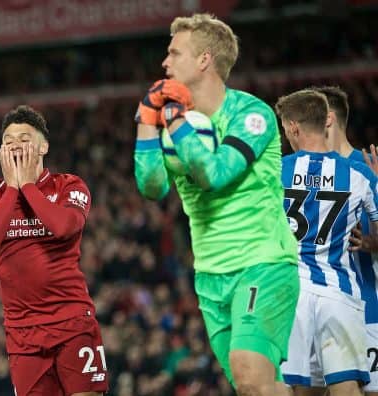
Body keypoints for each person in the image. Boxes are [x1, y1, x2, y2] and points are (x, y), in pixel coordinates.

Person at [133, 12, 299, 395]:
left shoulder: (251, 115)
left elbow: (216, 174)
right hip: (209, 274)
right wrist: (146, 122)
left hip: (263, 263)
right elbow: (152, 187)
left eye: (175, 53)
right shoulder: (171, 120)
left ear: (204, 59)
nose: (164, 63)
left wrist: (173, 121)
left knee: (251, 376)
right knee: (255, 386)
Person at [0, 105, 108, 396]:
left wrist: (28, 186)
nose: (15, 145)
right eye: (8, 141)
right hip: (23, 333)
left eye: (24, 139)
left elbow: (64, 226)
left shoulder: (69, 185)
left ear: (43, 146)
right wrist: (12, 190)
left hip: (72, 321)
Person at [276, 89, 378, 396]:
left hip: (292, 295)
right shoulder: (359, 174)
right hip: (342, 295)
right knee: (347, 386)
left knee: (296, 389)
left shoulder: (275, 170)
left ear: (294, 127)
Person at [314, 85, 378, 395]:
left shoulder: (368, 170)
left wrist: (372, 243)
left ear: (327, 119)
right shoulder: (304, 171)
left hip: (368, 312)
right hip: (318, 312)